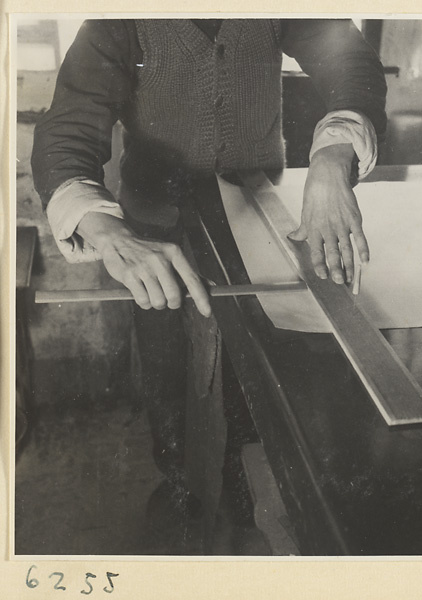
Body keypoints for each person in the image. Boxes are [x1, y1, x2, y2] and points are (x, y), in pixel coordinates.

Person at [31, 18, 387, 547]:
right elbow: (67, 133)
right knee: (167, 372)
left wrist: (334, 156)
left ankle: (243, 507)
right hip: (154, 228)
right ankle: (180, 491)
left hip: (251, 217)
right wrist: (106, 230)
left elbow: (350, 61)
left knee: (258, 377)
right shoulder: (117, 17)